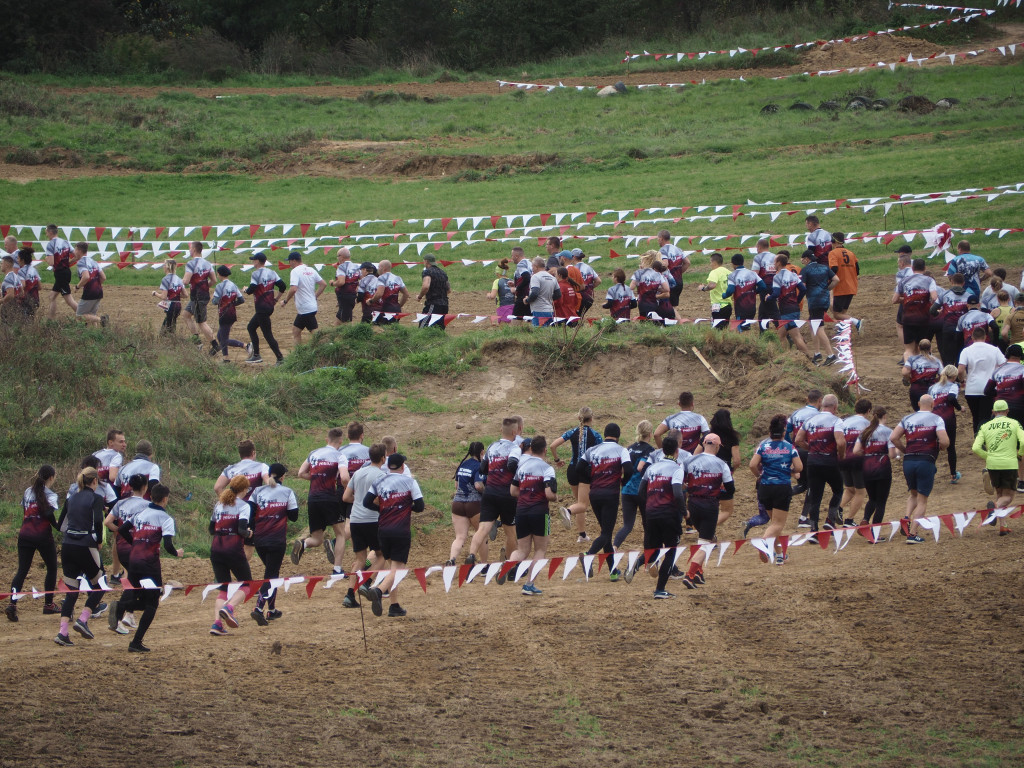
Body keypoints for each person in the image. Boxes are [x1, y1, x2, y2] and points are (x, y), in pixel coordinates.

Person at [109, 484, 183, 652]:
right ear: (165, 499)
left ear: (151, 497)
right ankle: (135, 641)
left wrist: (134, 543)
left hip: (133, 560)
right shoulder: (165, 518)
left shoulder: (139, 514)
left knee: (139, 596)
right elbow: (169, 544)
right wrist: (176, 553)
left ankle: (122, 607)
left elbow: (122, 529)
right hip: (150, 565)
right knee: (152, 604)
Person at [359, 454, 423, 617]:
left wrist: (383, 509)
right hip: (400, 531)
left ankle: (394, 605)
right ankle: (378, 590)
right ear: (402, 467)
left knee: (391, 567)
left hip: (383, 530)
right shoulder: (410, 482)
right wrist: (406, 507)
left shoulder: (379, 481)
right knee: (397, 569)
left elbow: (366, 502)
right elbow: (420, 506)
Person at [54, 467, 109, 646]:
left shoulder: (71, 499)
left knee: (71, 590)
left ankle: (63, 632)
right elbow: (99, 521)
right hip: (85, 544)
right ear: (94, 482)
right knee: (101, 584)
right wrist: (99, 540)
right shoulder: (96, 498)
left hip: (67, 544)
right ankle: (83, 619)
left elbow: (60, 525)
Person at [889, 395, 949, 543]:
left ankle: (907, 517)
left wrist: (904, 450)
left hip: (909, 460)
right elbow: (945, 441)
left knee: (913, 494)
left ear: (918, 404)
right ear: (933, 404)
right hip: (926, 460)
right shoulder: (937, 419)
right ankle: (913, 533)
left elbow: (893, 437)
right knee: (922, 500)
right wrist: (941, 447)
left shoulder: (907, 418)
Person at [577, 424, 633, 580]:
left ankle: (613, 571)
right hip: (610, 494)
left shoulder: (592, 450)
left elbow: (579, 468)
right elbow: (629, 469)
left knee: (605, 532)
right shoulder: (621, 450)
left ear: (605, 434)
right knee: (606, 533)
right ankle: (588, 555)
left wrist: (592, 478)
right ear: (618, 436)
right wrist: (623, 481)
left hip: (594, 494)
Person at [5, 465, 61, 622]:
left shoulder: (28, 491)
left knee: (22, 570)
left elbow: (26, 512)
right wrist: (59, 527)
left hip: (25, 535)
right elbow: (49, 514)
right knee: (52, 568)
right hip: (42, 536)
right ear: (51, 477)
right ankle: (48, 604)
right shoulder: (50, 495)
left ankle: (12, 604)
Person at [292, 428, 350, 574]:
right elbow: (344, 477)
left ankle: (303, 544)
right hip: (329, 497)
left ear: (326, 440)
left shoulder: (313, 453)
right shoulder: (340, 455)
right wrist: (348, 488)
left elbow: (301, 473)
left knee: (317, 538)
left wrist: (317, 477)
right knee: (341, 534)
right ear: (341, 441)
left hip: (313, 498)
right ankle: (337, 569)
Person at [678, 434, 733, 589]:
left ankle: (698, 573)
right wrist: (716, 492)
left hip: (693, 503)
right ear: (716, 446)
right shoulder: (721, 464)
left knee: (704, 539)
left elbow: (679, 482)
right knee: (705, 543)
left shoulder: (688, 460)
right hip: (710, 505)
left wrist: (691, 488)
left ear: (703, 444)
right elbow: (731, 489)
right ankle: (690, 575)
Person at [466, 419, 522, 566]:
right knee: (511, 533)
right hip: (506, 494)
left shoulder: (491, 446)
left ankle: (471, 555)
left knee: (483, 528)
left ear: (500, 430)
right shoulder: (515, 448)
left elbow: (483, 468)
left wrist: (495, 471)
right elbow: (512, 464)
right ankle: (508, 565)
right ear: (515, 432)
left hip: (489, 492)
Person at [248, 464, 299, 624]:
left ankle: (272, 610)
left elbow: (249, 513)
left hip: (259, 539)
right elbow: (294, 516)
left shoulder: (257, 491)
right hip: (276, 540)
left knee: (272, 573)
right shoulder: (288, 492)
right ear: (283, 477)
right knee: (270, 575)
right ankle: (258, 608)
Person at [506, 436, 557, 596]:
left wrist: (528, 492)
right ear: (544, 450)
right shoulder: (547, 468)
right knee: (540, 549)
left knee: (522, 549)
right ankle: (529, 584)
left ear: (531, 449)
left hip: (521, 511)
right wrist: (555, 497)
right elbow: (549, 494)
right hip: (539, 512)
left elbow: (513, 491)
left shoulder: (521, 467)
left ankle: (507, 565)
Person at [637, 436, 686, 599]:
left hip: (651, 513)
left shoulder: (652, 468)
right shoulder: (677, 468)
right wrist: (685, 513)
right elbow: (678, 494)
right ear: (676, 451)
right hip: (669, 514)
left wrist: (648, 507)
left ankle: (636, 563)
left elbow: (641, 492)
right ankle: (660, 590)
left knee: (656, 549)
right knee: (671, 552)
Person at [749, 416, 802, 564]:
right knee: (778, 524)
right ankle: (764, 543)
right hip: (781, 487)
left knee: (774, 523)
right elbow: (799, 468)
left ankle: (780, 555)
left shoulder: (763, 446)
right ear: (784, 431)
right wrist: (790, 471)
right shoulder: (789, 447)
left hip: (765, 487)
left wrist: (759, 476)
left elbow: (752, 465)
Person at [208, 475, 256, 636]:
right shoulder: (244, 506)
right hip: (233, 549)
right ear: (244, 490)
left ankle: (217, 624)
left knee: (224, 587)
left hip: (216, 549)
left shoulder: (219, 504)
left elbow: (210, 529)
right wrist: (249, 533)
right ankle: (229, 608)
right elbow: (242, 530)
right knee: (247, 584)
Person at [342, 443, 387, 609]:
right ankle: (366, 583)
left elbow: (346, 497)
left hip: (355, 520)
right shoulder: (382, 475)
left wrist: (359, 500)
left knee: (360, 559)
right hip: (372, 520)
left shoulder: (358, 473)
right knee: (382, 554)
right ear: (383, 458)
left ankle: (349, 595)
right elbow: (380, 499)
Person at [104, 475, 150, 631]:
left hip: (121, 548)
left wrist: (120, 532)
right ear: (145, 487)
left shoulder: (120, 502)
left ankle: (128, 615)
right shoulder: (148, 505)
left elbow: (107, 522)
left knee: (134, 579)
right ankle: (121, 611)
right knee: (138, 582)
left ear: (129, 486)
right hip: (137, 548)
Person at [794, 394, 845, 532]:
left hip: (813, 461)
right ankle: (830, 519)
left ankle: (814, 529)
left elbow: (798, 439)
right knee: (838, 490)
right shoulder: (836, 420)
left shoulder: (810, 420)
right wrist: (841, 455)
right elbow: (840, 442)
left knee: (815, 496)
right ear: (835, 407)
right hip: (830, 461)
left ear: (822, 405)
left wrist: (810, 448)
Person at [973, 399, 1024, 536]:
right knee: (1008, 496)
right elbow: (1023, 441)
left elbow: (976, 448)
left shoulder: (985, 426)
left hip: (993, 464)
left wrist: (987, 456)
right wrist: (1020, 454)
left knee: (1000, 494)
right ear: (1007, 411)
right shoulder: (1014, 423)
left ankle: (1003, 526)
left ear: (993, 412)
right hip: (1009, 463)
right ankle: (994, 508)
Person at [550, 407, 602, 542]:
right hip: (585, 471)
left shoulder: (572, 432)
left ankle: (582, 535)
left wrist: (557, 460)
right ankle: (567, 511)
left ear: (579, 418)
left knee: (580, 503)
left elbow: (552, 446)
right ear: (592, 418)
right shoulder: (596, 435)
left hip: (572, 470)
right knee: (583, 505)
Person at [613, 421, 655, 561]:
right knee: (647, 525)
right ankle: (647, 556)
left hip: (626, 491)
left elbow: (622, 468)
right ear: (650, 434)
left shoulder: (629, 449)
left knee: (627, 525)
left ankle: (614, 547)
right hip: (642, 491)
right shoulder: (649, 450)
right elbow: (640, 467)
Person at [985, 344, 1024, 491]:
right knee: (1020, 445)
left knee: (997, 442)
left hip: (999, 409)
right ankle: (1022, 481)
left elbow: (987, 391)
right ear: (1021, 357)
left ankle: (990, 472)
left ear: (1006, 356)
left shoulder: (998, 370)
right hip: (1019, 409)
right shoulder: (1022, 369)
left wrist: (1001, 392)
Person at [853, 407, 898, 531]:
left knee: (872, 498)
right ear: (884, 416)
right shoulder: (888, 431)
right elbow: (892, 454)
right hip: (882, 468)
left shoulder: (865, 432)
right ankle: (874, 531)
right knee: (881, 502)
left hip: (867, 467)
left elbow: (856, 451)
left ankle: (866, 519)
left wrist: (868, 454)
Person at [959, 325, 1006, 434]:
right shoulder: (994, 350)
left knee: (976, 417)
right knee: (985, 417)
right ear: (985, 336)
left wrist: (962, 380)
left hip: (971, 388)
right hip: (989, 387)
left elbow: (960, 370)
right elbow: (1004, 365)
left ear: (972, 337)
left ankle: (977, 438)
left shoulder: (966, 350)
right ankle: (984, 439)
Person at [244, 252, 286, 365]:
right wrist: (276, 299)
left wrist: (245, 290)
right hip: (269, 306)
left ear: (257, 261)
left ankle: (279, 357)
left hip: (261, 307)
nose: (253, 262)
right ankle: (256, 354)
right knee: (251, 327)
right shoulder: (272, 272)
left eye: (253, 260)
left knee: (267, 334)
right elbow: (283, 286)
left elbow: (252, 289)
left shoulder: (255, 274)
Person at [895, 257, 940, 364]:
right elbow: (934, 297)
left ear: (912, 267)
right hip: (923, 318)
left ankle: (908, 371)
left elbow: (894, 299)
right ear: (924, 268)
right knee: (922, 348)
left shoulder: (904, 281)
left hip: (908, 318)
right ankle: (923, 370)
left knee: (909, 350)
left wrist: (908, 299)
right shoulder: (929, 280)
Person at [446, 442, 484, 566]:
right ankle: (483, 566)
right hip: (474, 504)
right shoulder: (479, 466)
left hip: (457, 504)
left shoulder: (462, 464)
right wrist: (487, 492)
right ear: (481, 452)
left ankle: (452, 559)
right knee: (482, 534)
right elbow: (478, 485)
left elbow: (456, 485)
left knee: (460, 537)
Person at [800, 249, 838, 365]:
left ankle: (830, 354)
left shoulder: (805, 270)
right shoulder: (825, 267)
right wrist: (827, 289)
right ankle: (817, 353)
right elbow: (836, 280)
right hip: (824, 300)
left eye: (802, 259)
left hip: (814, 301)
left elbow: (802, 286)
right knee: (813, 325)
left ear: (807, 259)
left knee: (819, 327)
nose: (802, 261)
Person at [280, 251, 327, 346]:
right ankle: (298, 354)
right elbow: (323, 284)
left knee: (316, 334)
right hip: (310, 306)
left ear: (293, 261)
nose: (289, 264)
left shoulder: (295, 271)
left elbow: (293, 289)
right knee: (296, 330)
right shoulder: (311, 270)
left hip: (305, 308)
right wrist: (314, 297)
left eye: (289, 261)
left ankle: (328, 347)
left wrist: (285, 301)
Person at [837, 399, 872, 526]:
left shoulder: (844, 422)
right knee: (860, 491)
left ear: (855, 409)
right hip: (858, 460)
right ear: (868, 411)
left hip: (843, 458)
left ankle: (838, 508)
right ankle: (849, 520)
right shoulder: (868, 424)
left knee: (850, 489)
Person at [771, 253, 812, 358]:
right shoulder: (793, 275)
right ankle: (785, 358)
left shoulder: (777, 277)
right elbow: (803, 289)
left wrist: (768, 297)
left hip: (786, 310)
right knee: (781, 335)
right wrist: (797, 300)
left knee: (796, 337)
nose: (773, 264)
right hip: (794, 308)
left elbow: (776, 293)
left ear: (779, 263)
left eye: (775, 262)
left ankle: (810, 358)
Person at [786, 389, 822, 508]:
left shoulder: (796, 413)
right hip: (811, 451)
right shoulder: (818, 415)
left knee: (803, 485)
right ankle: (804, 517)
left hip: (796, 450)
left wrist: (790, 446)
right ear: (820, 400)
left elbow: (786, 430)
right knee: (813, 485)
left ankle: (783, 495)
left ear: (807, 399)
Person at [929, 365, 964, 484]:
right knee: (951, 447)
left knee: (934, 446)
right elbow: (951, 398)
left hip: (934, 419)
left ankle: (929, 472)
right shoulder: (953, 386)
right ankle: (953, 475)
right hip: (948, 419)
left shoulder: (932, 387)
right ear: (954, 376)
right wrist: (959, 408)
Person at [708, 409, 740, 526]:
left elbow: (695, 455)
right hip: (723, 476)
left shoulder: (708, 437)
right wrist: (731, 471)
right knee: (727, 510)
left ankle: (706, 529)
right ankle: (708, 529)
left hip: (707, 475)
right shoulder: (732, 437)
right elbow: (736, 461)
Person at [182, 241, 217, 349]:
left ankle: (215, 345)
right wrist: (205, 287)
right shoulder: (207, 263)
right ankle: (197, 341)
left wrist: (177, 281)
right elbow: (214, 280)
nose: (189, 250)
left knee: (201, 322)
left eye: (190, 248)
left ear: (194, 250)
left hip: (196, 296)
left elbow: (186, 281)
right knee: (186, 315)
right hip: (203, 295)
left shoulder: (191, 264)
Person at [210, 265, 248, 361]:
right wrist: (232, 304)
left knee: (224, 339)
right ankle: (226, 357)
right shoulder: (233, 285)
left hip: (223, 314)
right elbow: (241, 300)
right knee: (220, 336)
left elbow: (215, 302)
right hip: (232, 313)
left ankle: (245, 346)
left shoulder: (219, 286)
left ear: (219, 274)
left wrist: (212, 299)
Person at [932, 272, 971, 366]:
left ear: (952, 282)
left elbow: (932, 310)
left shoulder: (944, 294)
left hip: (948, 328)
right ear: (963, 283)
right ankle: (959, 377)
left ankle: (948, 376)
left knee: (947, 356)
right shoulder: (969, 296)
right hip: (962, 330)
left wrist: (940, 313)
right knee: (960, 355)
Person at [43, 224, 79, 319]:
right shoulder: (65, 242)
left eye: (46, 232)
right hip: (66, 271)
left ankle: (86, 316)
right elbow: (76, 256)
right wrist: (68, 263)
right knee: (52, 297)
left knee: (69, 300)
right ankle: (50, 319)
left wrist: (46, 258)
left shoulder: (51, 244)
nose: (46, 234)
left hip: (60, 274)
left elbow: (51, 263)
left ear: (50, 232)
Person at [722, 253, 767, 325]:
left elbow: (730, 290)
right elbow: (763, 286)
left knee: (741, 328)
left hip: (740, 307)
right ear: (743, 262)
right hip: (752, 307)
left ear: (733, 264)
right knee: (747, 326)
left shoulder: (732, 275)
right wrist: (754, 292)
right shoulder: (753, 273)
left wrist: (724, 295)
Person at [72, 242, 107, 327]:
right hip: (99, 291)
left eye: (75, 249)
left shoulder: (81, 263)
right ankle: (94, 335)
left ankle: (102, 320)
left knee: (80, 316)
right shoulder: (94, 261)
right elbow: (103, 277)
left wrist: (77, 287)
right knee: (91, 315)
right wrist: (96, 284)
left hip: (89, 293)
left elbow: (86, 276)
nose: (74, 251)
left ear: (79, 251)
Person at [828, 233, 859, 324]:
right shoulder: (851, 253)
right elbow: (857, 270)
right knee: (843, 313)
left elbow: (834, 268)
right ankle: (843, 331)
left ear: (834, 241)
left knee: (837, 314)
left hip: (841, 287)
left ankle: (856, 322)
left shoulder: (833, 253)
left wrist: (829, 282)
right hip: (852, 286)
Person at [630, 250, 669, 322]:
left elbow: (667, 293)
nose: (640, 263)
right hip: (649, 304)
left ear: (647, 261)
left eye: (642, 261)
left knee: (648, 322)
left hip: (654, 305)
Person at [903, 339, 942, 411]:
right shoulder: (936, 361)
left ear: (918, 348)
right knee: (931, 410)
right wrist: (936, 382)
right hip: (931, 388)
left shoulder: (912, 359)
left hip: (916, 388)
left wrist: (909, 379)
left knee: (918, 410)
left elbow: (905, 372)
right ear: (930, 348)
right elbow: (942, 375)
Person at [417, 253, 451, 328]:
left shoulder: (427, 271)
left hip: (433, 304)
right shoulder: (442, 273)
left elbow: (426, 286)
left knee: (423, 327)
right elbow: (448, 290)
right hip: (445, 305)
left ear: (426, 261)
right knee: (439, 329)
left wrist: (420, 297)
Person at [657, 230, 690, 309]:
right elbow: (687, 262)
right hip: (679, 282)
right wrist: (678, 272)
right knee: (673, 307)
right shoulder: (678, 249)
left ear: (661, 239)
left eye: (658, 239)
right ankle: (674, 320)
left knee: (666, 307)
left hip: (669, 283)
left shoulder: (663, 250)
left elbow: (665, 264)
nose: (657, 241)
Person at [153, 260, 184, 335]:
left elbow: (164, 296)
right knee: (172, 325)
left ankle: (171, 342)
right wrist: (175, 294)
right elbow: (185, 295)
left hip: (170, 305)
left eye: (164, 265)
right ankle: (172, 341)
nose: (163, 267)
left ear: (167, 267)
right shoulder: (179, 279)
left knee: (165, 330)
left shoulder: (165, 279)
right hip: (178, 305)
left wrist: (155, 293)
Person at [700, 252, 733, 325]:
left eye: (710, 262)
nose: (710, 264)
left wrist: (703, 288)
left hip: (718, 305)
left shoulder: (714, 272)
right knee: (724, 328)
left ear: (714, 262)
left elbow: (712, 285)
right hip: (728, 305)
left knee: (717, 329)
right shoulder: (729, 272)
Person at [752, 238, 780, 321]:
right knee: (763, 311)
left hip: (764, 286)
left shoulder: (758, 257)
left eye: (757, 247)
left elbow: (755, 273)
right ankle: (763, 331)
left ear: (759, 247)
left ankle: (785, 330)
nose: (756, 249)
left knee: (773, 311)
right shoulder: (775, 257)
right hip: (775, 285)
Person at [331, 247, 361, 324]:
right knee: (340, 317)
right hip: (352, 295)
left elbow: (341, 282)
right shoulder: (357, 267)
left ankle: (349, 335)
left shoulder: (342, 267)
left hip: (344, 295)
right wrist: (357, 286)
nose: (337, 258)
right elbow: (363, 280)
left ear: (341, 257)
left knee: (346, 321)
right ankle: (334, 334)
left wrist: (333, 283)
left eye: (338, 256)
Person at [528, 255, 560, 326]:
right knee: (548, 334)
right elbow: (558, 294)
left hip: (538, 310)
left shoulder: (535, 277)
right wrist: (548, 298)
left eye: (532, 266)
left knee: (538, 334)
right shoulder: (552, 277)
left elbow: (535, 293)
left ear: (536, 266)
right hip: (549, 310)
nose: (532, 269)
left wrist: (527, 300)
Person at [893, 247, 914, 351]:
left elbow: (898, 293)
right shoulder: (917, 265)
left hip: (906, 300)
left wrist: (900, 300)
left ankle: (908, 351)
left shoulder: (901, 273)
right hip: (921, 299)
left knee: (900, 325)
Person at [571, 248, 601, 316]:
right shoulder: (588, 267)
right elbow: (598, 281)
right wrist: (590, 287)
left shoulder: (573, 269)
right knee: (580, 316)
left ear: (574, 257)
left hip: (578, 298)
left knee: (575, 317)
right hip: (589, 297)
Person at [17, 247, 41, 318]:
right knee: (31, 319)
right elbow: (40, 287)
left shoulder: (21, 271)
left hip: (26, 300)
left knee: (24, 320)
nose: (17, 260)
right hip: (36, 299)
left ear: (22, 260)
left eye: (18, 258)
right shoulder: (34, 270)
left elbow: (22, 285)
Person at [0, 255, 25, 322]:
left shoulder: (8, 278)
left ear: (7, 265)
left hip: (8, 307)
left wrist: (2, 301)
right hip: (16, 306)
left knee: (6, 329)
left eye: (2, 263)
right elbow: (21, 292)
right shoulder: (16, 276)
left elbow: (10, 294)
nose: (0, 265)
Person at [510, 247, 532, 321]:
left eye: (512, 255)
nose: (511, 258)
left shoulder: (521, 264)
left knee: (516, 320)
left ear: (516, 256)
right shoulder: (529, 263)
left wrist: (516, 288)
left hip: (522, 296)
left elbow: (526, 278)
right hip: (530, 295)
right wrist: (515, 283)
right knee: (529, 319)